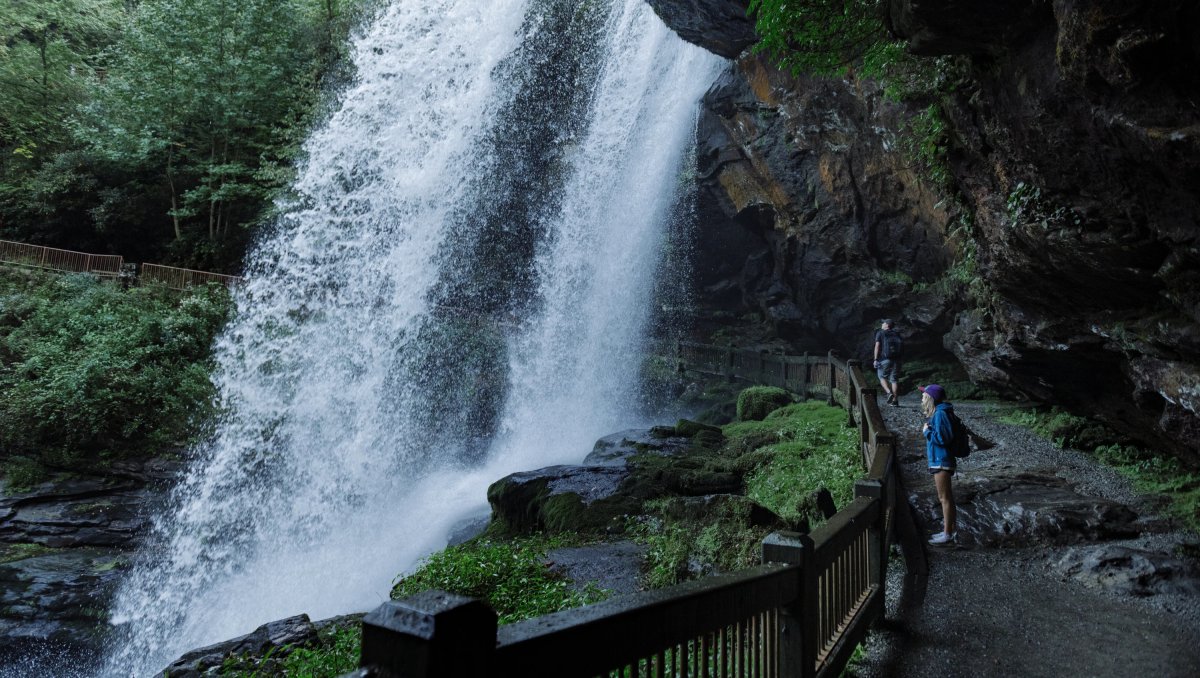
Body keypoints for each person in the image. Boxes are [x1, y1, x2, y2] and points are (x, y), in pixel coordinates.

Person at [920, 383, 957, 544]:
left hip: (941, 460)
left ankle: (947, 534)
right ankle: (949, 530)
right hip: (940, 459)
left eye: (923, 395)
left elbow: (943, 439)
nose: (922, 397)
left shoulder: (940, 414)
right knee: (946, 497)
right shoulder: (940, 413)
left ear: (930, 398)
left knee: (945, 498)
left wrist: (927, 431)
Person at [872, 319, 902, 406]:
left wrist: (875, 359)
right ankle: (895, 401)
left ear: (887, 325)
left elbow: (877, 346)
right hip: (897, 359)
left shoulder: (881, 333)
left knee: (881, 376)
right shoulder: (897, 334)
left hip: (885, 359)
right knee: (894, 380)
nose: (882, 324)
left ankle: (889, 393)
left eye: (883, 323)